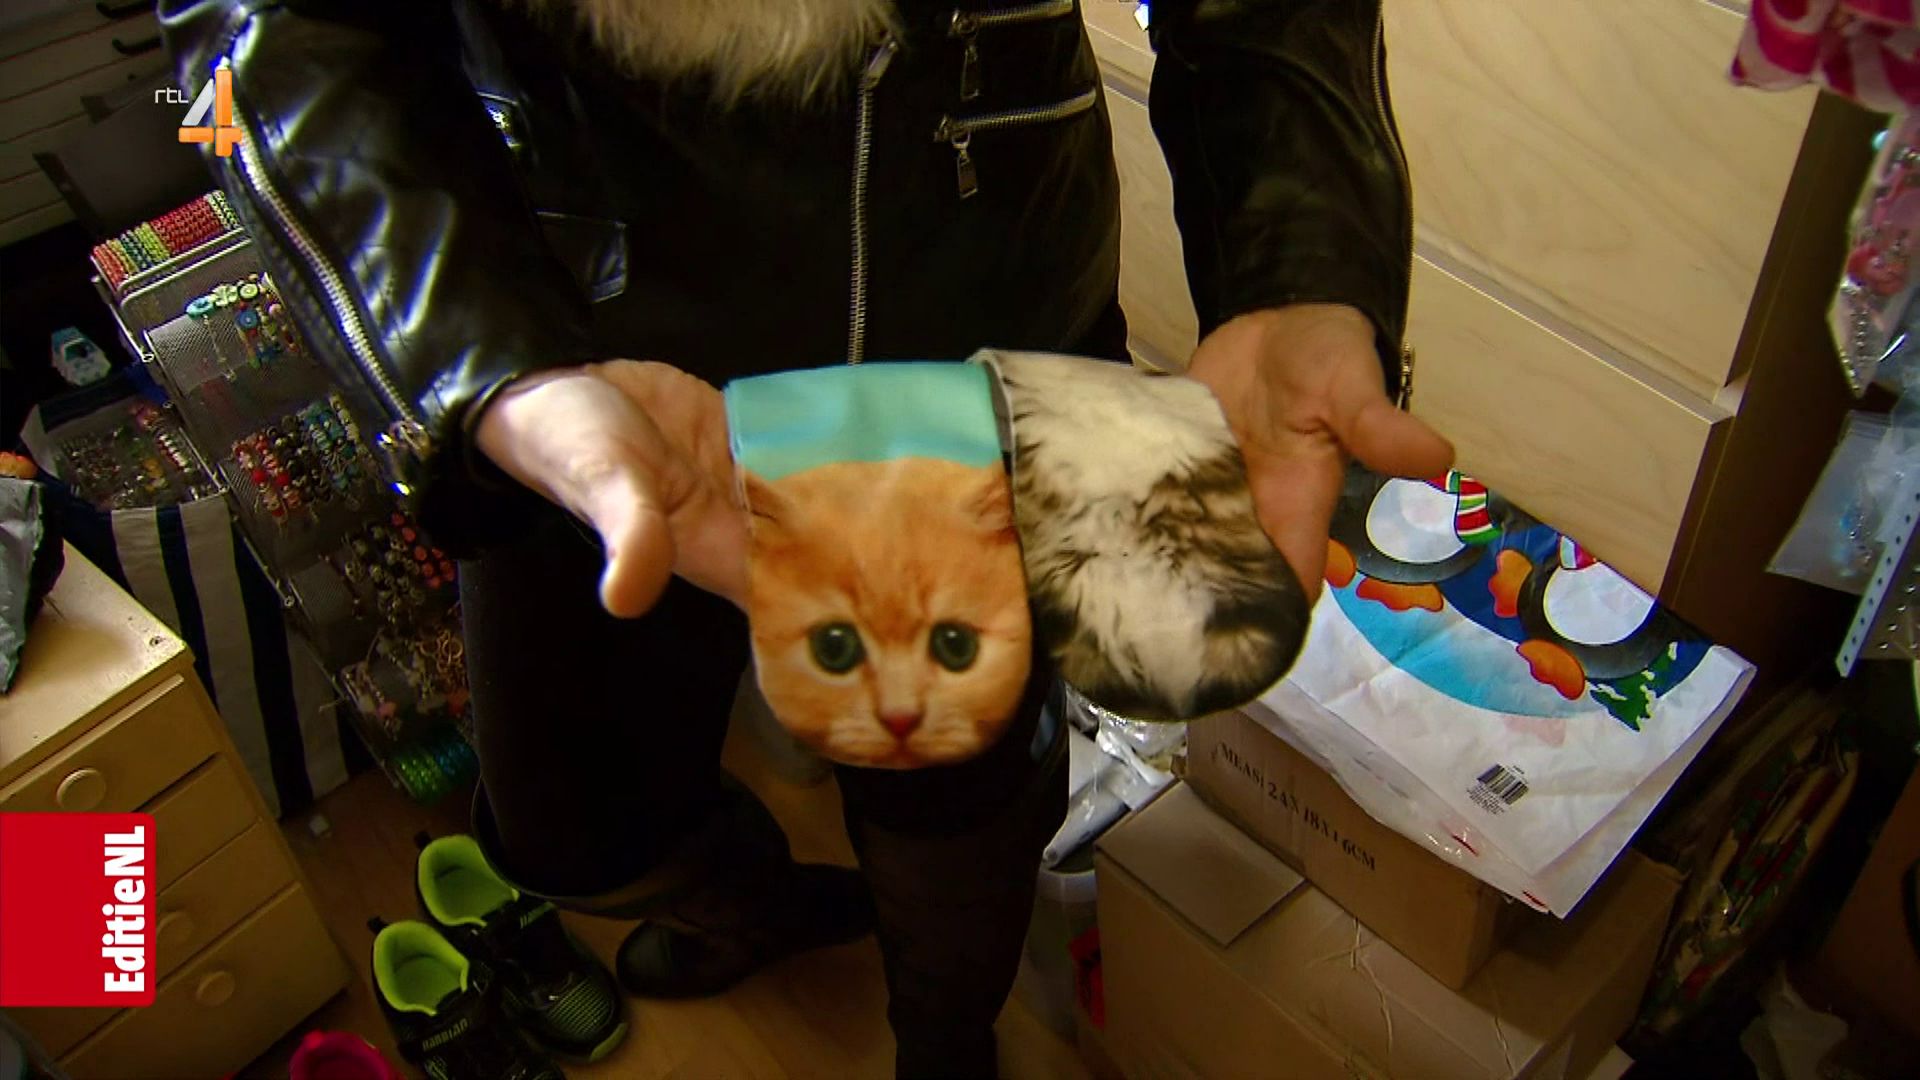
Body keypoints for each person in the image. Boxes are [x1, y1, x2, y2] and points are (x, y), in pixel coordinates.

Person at [161, 1, 1453, 1076]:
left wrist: (1300, 261)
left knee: (957, 782)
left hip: (976, 310)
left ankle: (946, 1045)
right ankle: (751, 896)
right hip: (588, 349)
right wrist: (483, 368)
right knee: (566, 824)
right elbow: (253, 31)